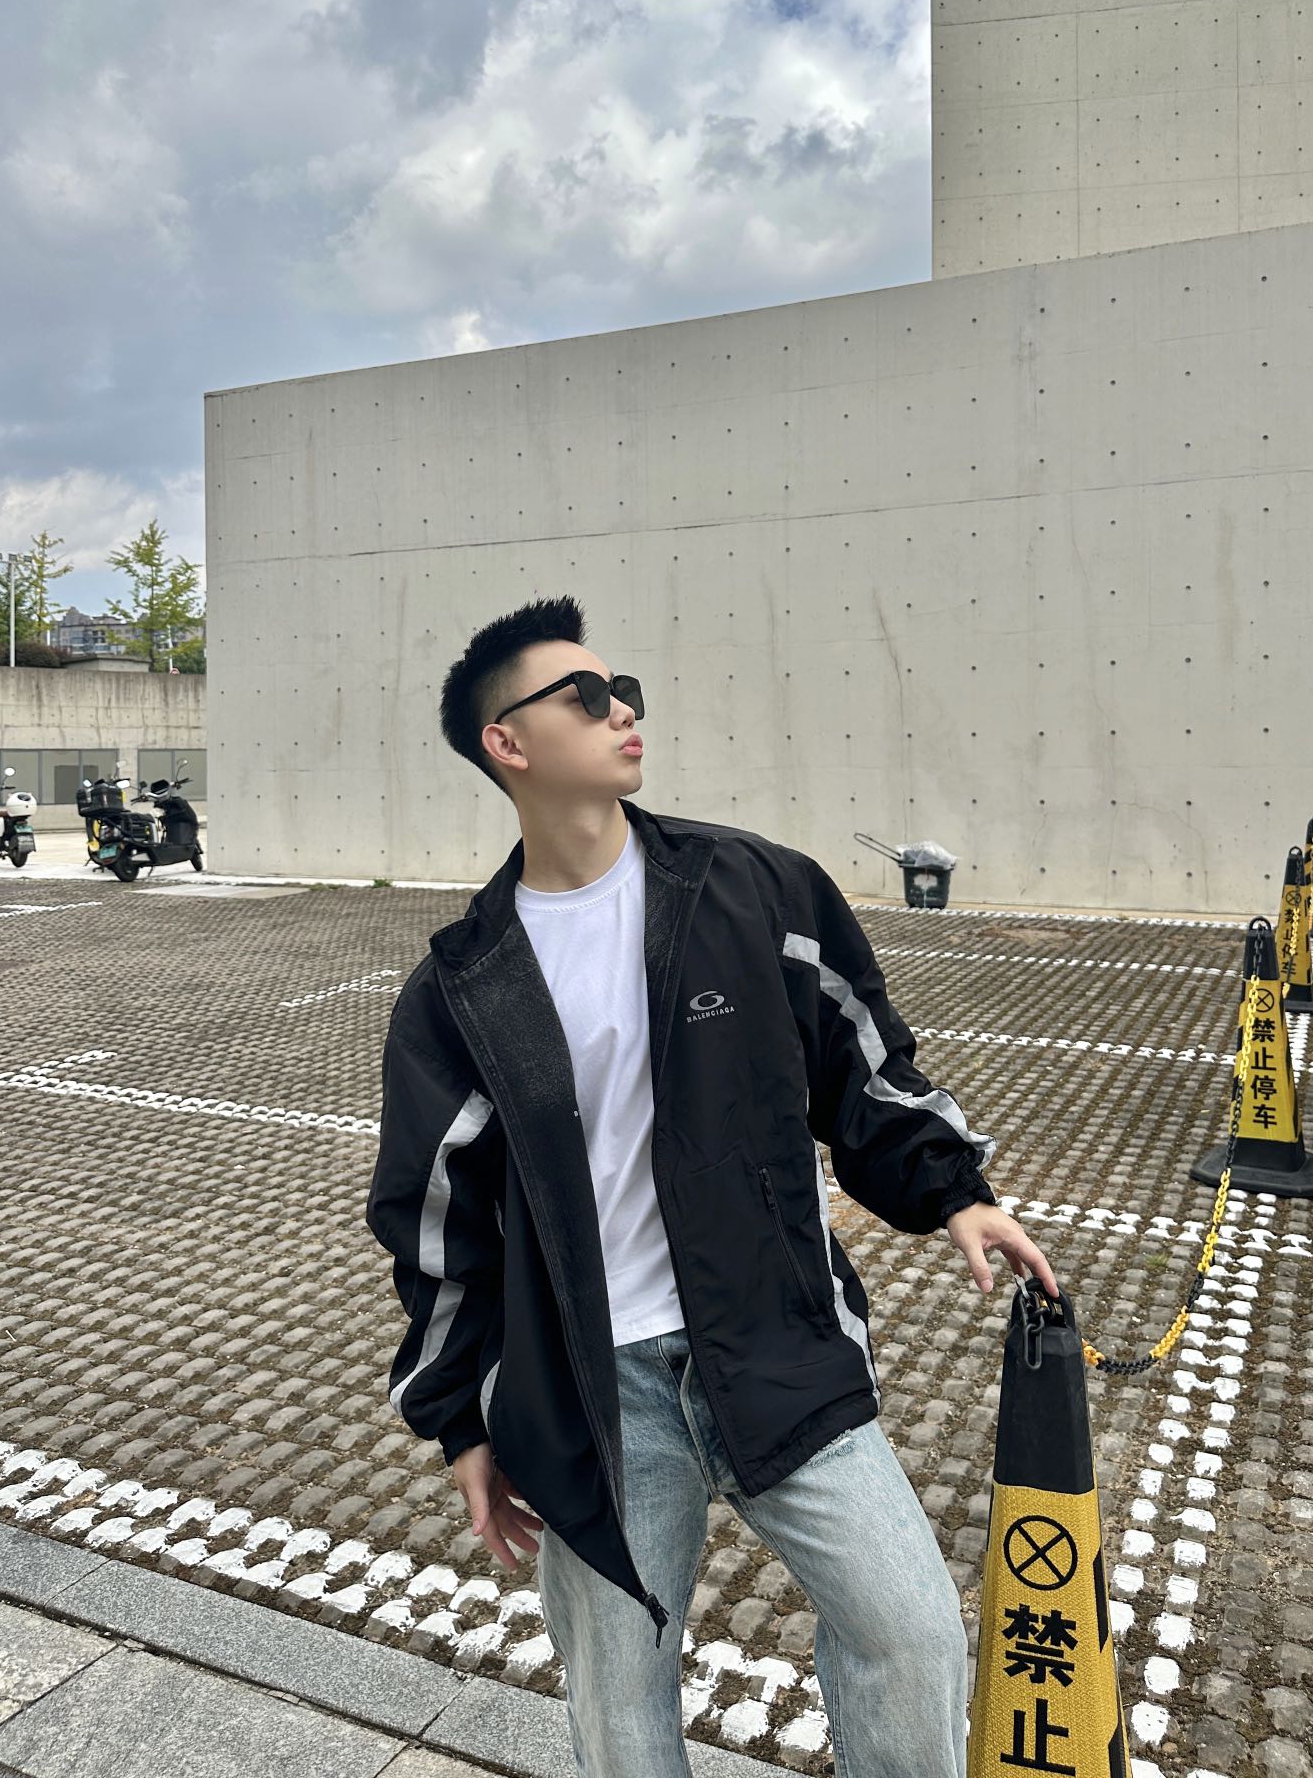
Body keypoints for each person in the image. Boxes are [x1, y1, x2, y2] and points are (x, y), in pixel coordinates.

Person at [365, 593, 1058, 1778]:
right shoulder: (464, 986)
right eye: (588, 695)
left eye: (623, 688)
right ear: (508, 743)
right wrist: (458, 1422)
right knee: (621, 1705)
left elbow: (862, 1062)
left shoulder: (752, 889)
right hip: (592, 1398)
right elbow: (438, 1229)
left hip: (775, 1342)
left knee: (913, 1636)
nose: (622, 709)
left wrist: (954, 1189)